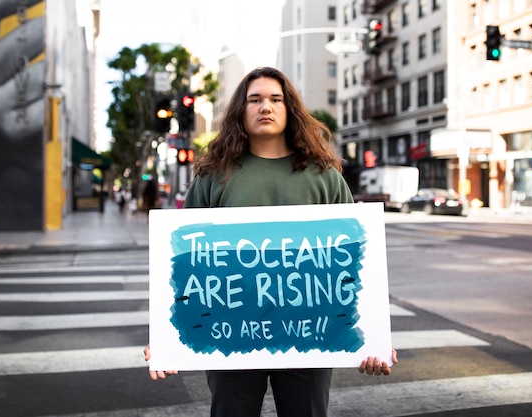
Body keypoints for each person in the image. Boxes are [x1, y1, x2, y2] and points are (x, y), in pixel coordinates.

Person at [144, 66, 397, 417]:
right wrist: (165, 337)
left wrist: (375, 336)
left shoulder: (325, 175)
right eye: (255, 100)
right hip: (229, 331)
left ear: (289, 108)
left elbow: (355, 261)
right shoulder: (215, 175)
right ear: (240, 111)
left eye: (276, 99)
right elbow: (186, 262)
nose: (266, 107)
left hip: (310, 332)